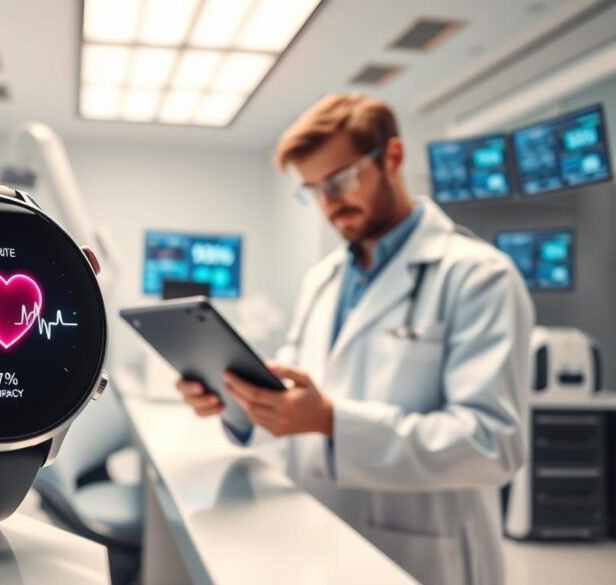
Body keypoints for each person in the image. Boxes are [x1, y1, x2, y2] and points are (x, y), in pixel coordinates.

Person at [174, 94, 533, 585]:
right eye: (313, 190)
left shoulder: (480, 277)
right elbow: (293, 403)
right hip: (319, 536)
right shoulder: (323, 280)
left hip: (427, 554)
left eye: (340, 180)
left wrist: (333, 421)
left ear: (393, 157)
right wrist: (235, 400)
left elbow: (493, 443)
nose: (329, 203)